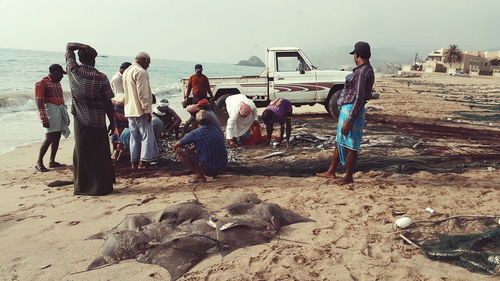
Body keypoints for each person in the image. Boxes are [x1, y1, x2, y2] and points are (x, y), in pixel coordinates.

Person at [317, 41, 374, 185]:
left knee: (351, 145)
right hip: (347, 109)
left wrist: (349, 119)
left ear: (357, 55)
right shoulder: (363, 70)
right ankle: (331, 171)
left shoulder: (362, 72)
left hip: (352, 111)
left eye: (354, 54)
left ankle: (349, 176)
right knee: (340, 141)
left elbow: (359, 97)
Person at [66, 42, 115, 196]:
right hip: (98, 120)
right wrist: (112, 121)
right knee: (100, 154)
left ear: (79, 59)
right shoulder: (101, 77)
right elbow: (108, 103)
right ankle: (102, 187)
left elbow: (68, 47)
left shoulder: (73, 71)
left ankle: (83, 187)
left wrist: (84, 45)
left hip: (80, 120)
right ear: (93, 59)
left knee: (82, 153)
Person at [123, 52, 159, 169]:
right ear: (143, 60)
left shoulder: (127, 71)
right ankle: (144, 162)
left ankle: (134, 162)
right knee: (146, 136)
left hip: (130, 109)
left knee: (134, 137)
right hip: (140, 110)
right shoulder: (141, 72)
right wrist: (147, 110)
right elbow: (143, 93)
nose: (148, 65)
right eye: (148, 63)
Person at [174, 110, 228, 183]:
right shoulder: (216, 129)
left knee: (178, 150)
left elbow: (176, 145)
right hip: (223, 166)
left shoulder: (195, 133)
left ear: (197, 121)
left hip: (209, 170)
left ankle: (199, 175)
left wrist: (189, 152)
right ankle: (205, 172)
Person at [34, 64, 70, 172]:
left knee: (57, 136)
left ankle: (52, 161)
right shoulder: (41, 83)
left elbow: (61, 99)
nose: (62, 76)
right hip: (50, 112)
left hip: (59, 111)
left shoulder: (57, 82)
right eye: (60, 74)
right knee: (49, 137)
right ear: (53, 72)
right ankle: (39, 162)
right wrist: (43, 117)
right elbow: (39, 102)